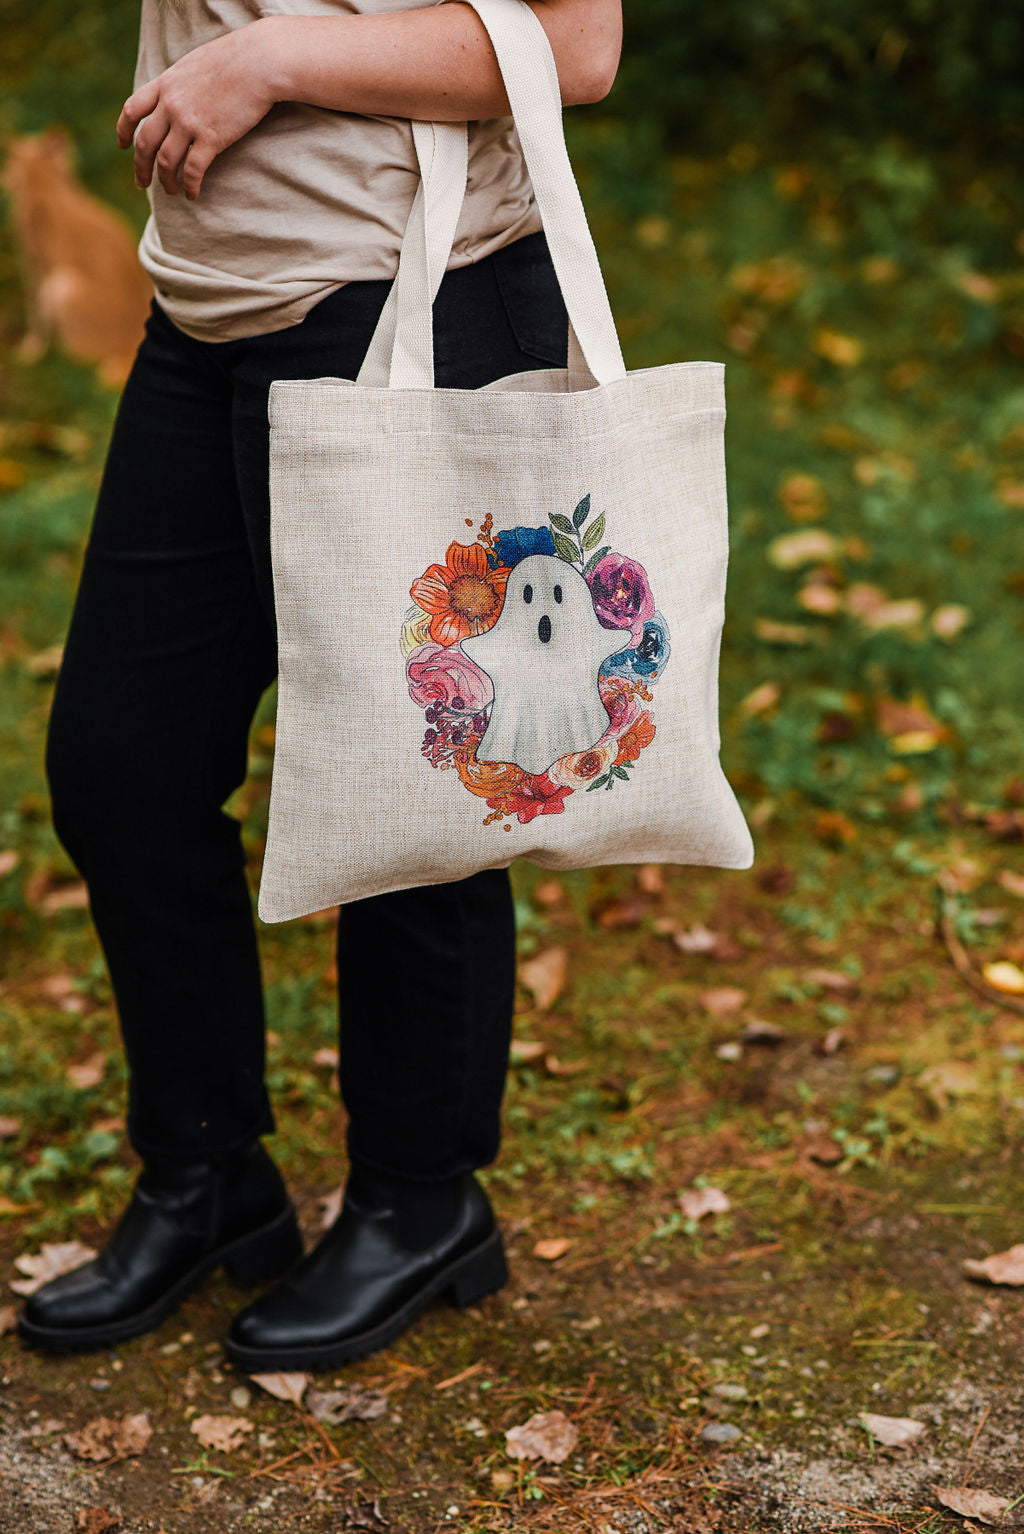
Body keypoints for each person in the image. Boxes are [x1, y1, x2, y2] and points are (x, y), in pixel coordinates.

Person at [16, 0, 622, 1372]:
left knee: (410, 796)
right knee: (126, 769)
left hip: (407, 297)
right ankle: (208, 1173)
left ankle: (422, 1196)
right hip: (207, 309)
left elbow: (577, 44)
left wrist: (270, 60)